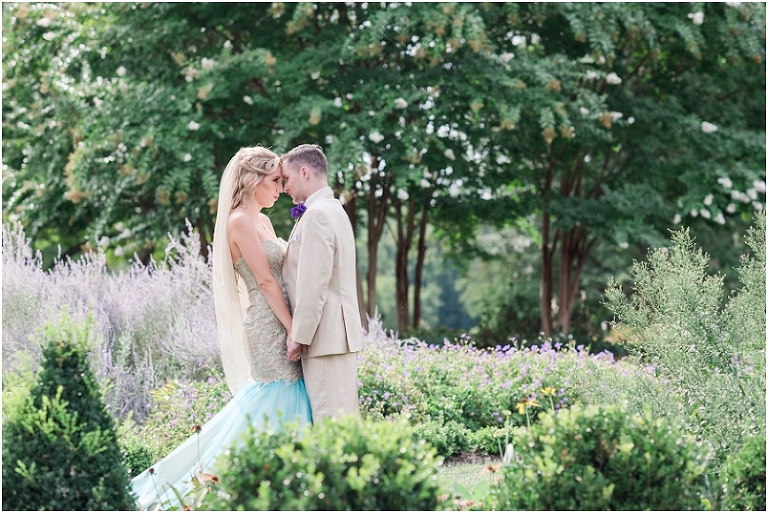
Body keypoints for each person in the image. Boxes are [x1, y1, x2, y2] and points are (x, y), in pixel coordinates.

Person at [131, 146, 312, 510]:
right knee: (275, 397)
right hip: (268, 323)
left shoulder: (263, 220)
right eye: (275, 181)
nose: (280, 188)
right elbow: (265, 281)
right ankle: (224, 483)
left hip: (282, 316)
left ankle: (280, 484)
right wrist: (294, 328)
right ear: (253, 180)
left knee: (282, 397)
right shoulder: (239, 221)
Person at [281, 144, 363, 420]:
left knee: (332, 424)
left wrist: (299, 335)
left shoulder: (317, 215)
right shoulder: (333, 210)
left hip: (325, 339)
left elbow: (313, 285)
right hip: (333, 337)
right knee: (341, 422)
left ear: (304, 172)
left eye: (287, 179)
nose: (284, 187)